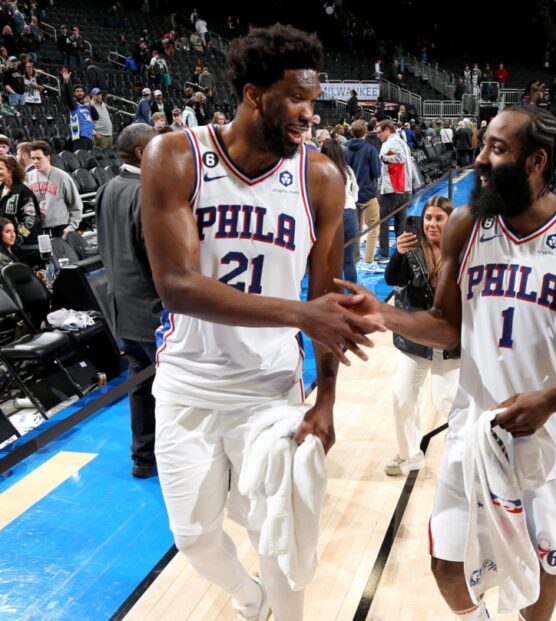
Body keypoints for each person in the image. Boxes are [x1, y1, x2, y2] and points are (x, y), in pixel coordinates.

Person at [340, 106, 556, 620]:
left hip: (547, 432)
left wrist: (551, 398)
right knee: (445, 563)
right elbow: (445, 324)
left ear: (537, 160)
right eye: (483, 145)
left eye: (496, 149)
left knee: (534, 578)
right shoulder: (466, 225)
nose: (479, 159)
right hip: (472, 426)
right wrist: (385, 314)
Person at [140, 24, 382, 621]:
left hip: (271, 389)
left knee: (281, 530)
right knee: (194, 536)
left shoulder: (319, 177)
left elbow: (329, 305)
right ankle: (249, 600)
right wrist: (300, 312)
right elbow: (177, 288)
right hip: (188, 383)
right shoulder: (175, 156)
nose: (308, 114)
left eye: (313, 101)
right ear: (254, 95)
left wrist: (326, 402)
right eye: (297, 99)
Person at [95, 124, 160, 479]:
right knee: (172, 390)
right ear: (141, 152)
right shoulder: (145, 193)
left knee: (140, 387)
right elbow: (157, 260)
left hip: (121, 307)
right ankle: (178, 459)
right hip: (153, 311)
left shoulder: (105, 190)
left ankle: (143, 458)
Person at [383, 196, 460, 476]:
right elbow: (392, 280)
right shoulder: (412, 247)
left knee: (446, 400)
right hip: (417, 338)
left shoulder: (463, 250)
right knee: (402, 396)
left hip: (451, 341)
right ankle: (409, 454)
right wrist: (398, 254)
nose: (432, 224)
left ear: (451, 221)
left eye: (439, 218)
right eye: (428, 218)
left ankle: (467, 451)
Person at [344, 119, 381, 272]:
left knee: (356, 229)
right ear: (365, 132)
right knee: (373, 227)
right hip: (367, 193)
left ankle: (355, 258)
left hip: (351, 195)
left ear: (352, 132)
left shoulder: (345, 149)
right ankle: (368, 260)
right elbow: (376, 172)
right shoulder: (370, 149)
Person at [25, 141, 82, 237]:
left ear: (48, 157)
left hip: (60, 228)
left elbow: (76, 205)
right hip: (37, 228)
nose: (35, 161)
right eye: (33, 158)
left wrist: (71, 227)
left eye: (38, 158)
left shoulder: (63, 177)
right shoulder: (28, 177)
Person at [321, 139, 358, 283]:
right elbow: (355, 191)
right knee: (348, 260)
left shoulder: (322, 170)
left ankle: (328, 293)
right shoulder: (347, 169)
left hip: (330, 216)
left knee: (328, 259)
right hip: (349, 213)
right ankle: (353, 295)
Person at [376, 119, 412, 261]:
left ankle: (383, 253)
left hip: (394, 189)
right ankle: (401, 252)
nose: (378, 135)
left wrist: (383, 157)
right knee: (400, 222)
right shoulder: (401, 141)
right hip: (403, 188)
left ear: (387, 130)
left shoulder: (393, 142)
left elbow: (400, 158)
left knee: (383, 221)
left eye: (380, 132)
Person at [0, 154, 41, 252]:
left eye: (0, 169)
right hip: (6, 245)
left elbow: (30, 220)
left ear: (10, 170)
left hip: (25, 247)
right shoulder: (1, 190)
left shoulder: (23, 192)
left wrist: (18, 238)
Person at [61, 66, 97, 150]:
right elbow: (68, 97)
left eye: (81, 91)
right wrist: (66, 82)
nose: (80, 93)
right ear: (74, 94)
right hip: (79, 136)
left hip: (89, 136)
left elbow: (96, 117)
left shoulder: (87, 106)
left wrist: (91, 105)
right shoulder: (74, 105)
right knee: (82, 159)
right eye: (77, 91)